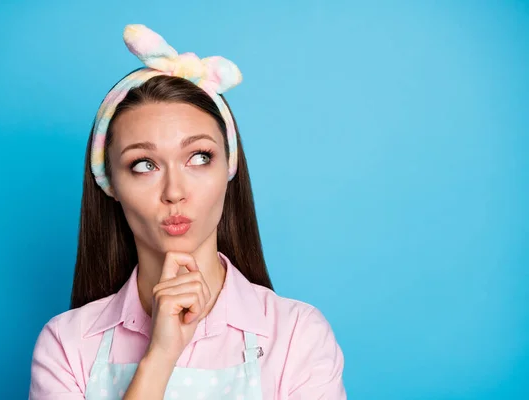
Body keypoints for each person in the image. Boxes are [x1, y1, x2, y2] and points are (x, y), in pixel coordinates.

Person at [28, 24, 346, 400]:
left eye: (199, 157)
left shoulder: (297, 335)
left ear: (229, 168)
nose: (174, 192)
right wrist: (160, 357)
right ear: (108, 182)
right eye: (144, 164)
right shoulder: (67, 344)